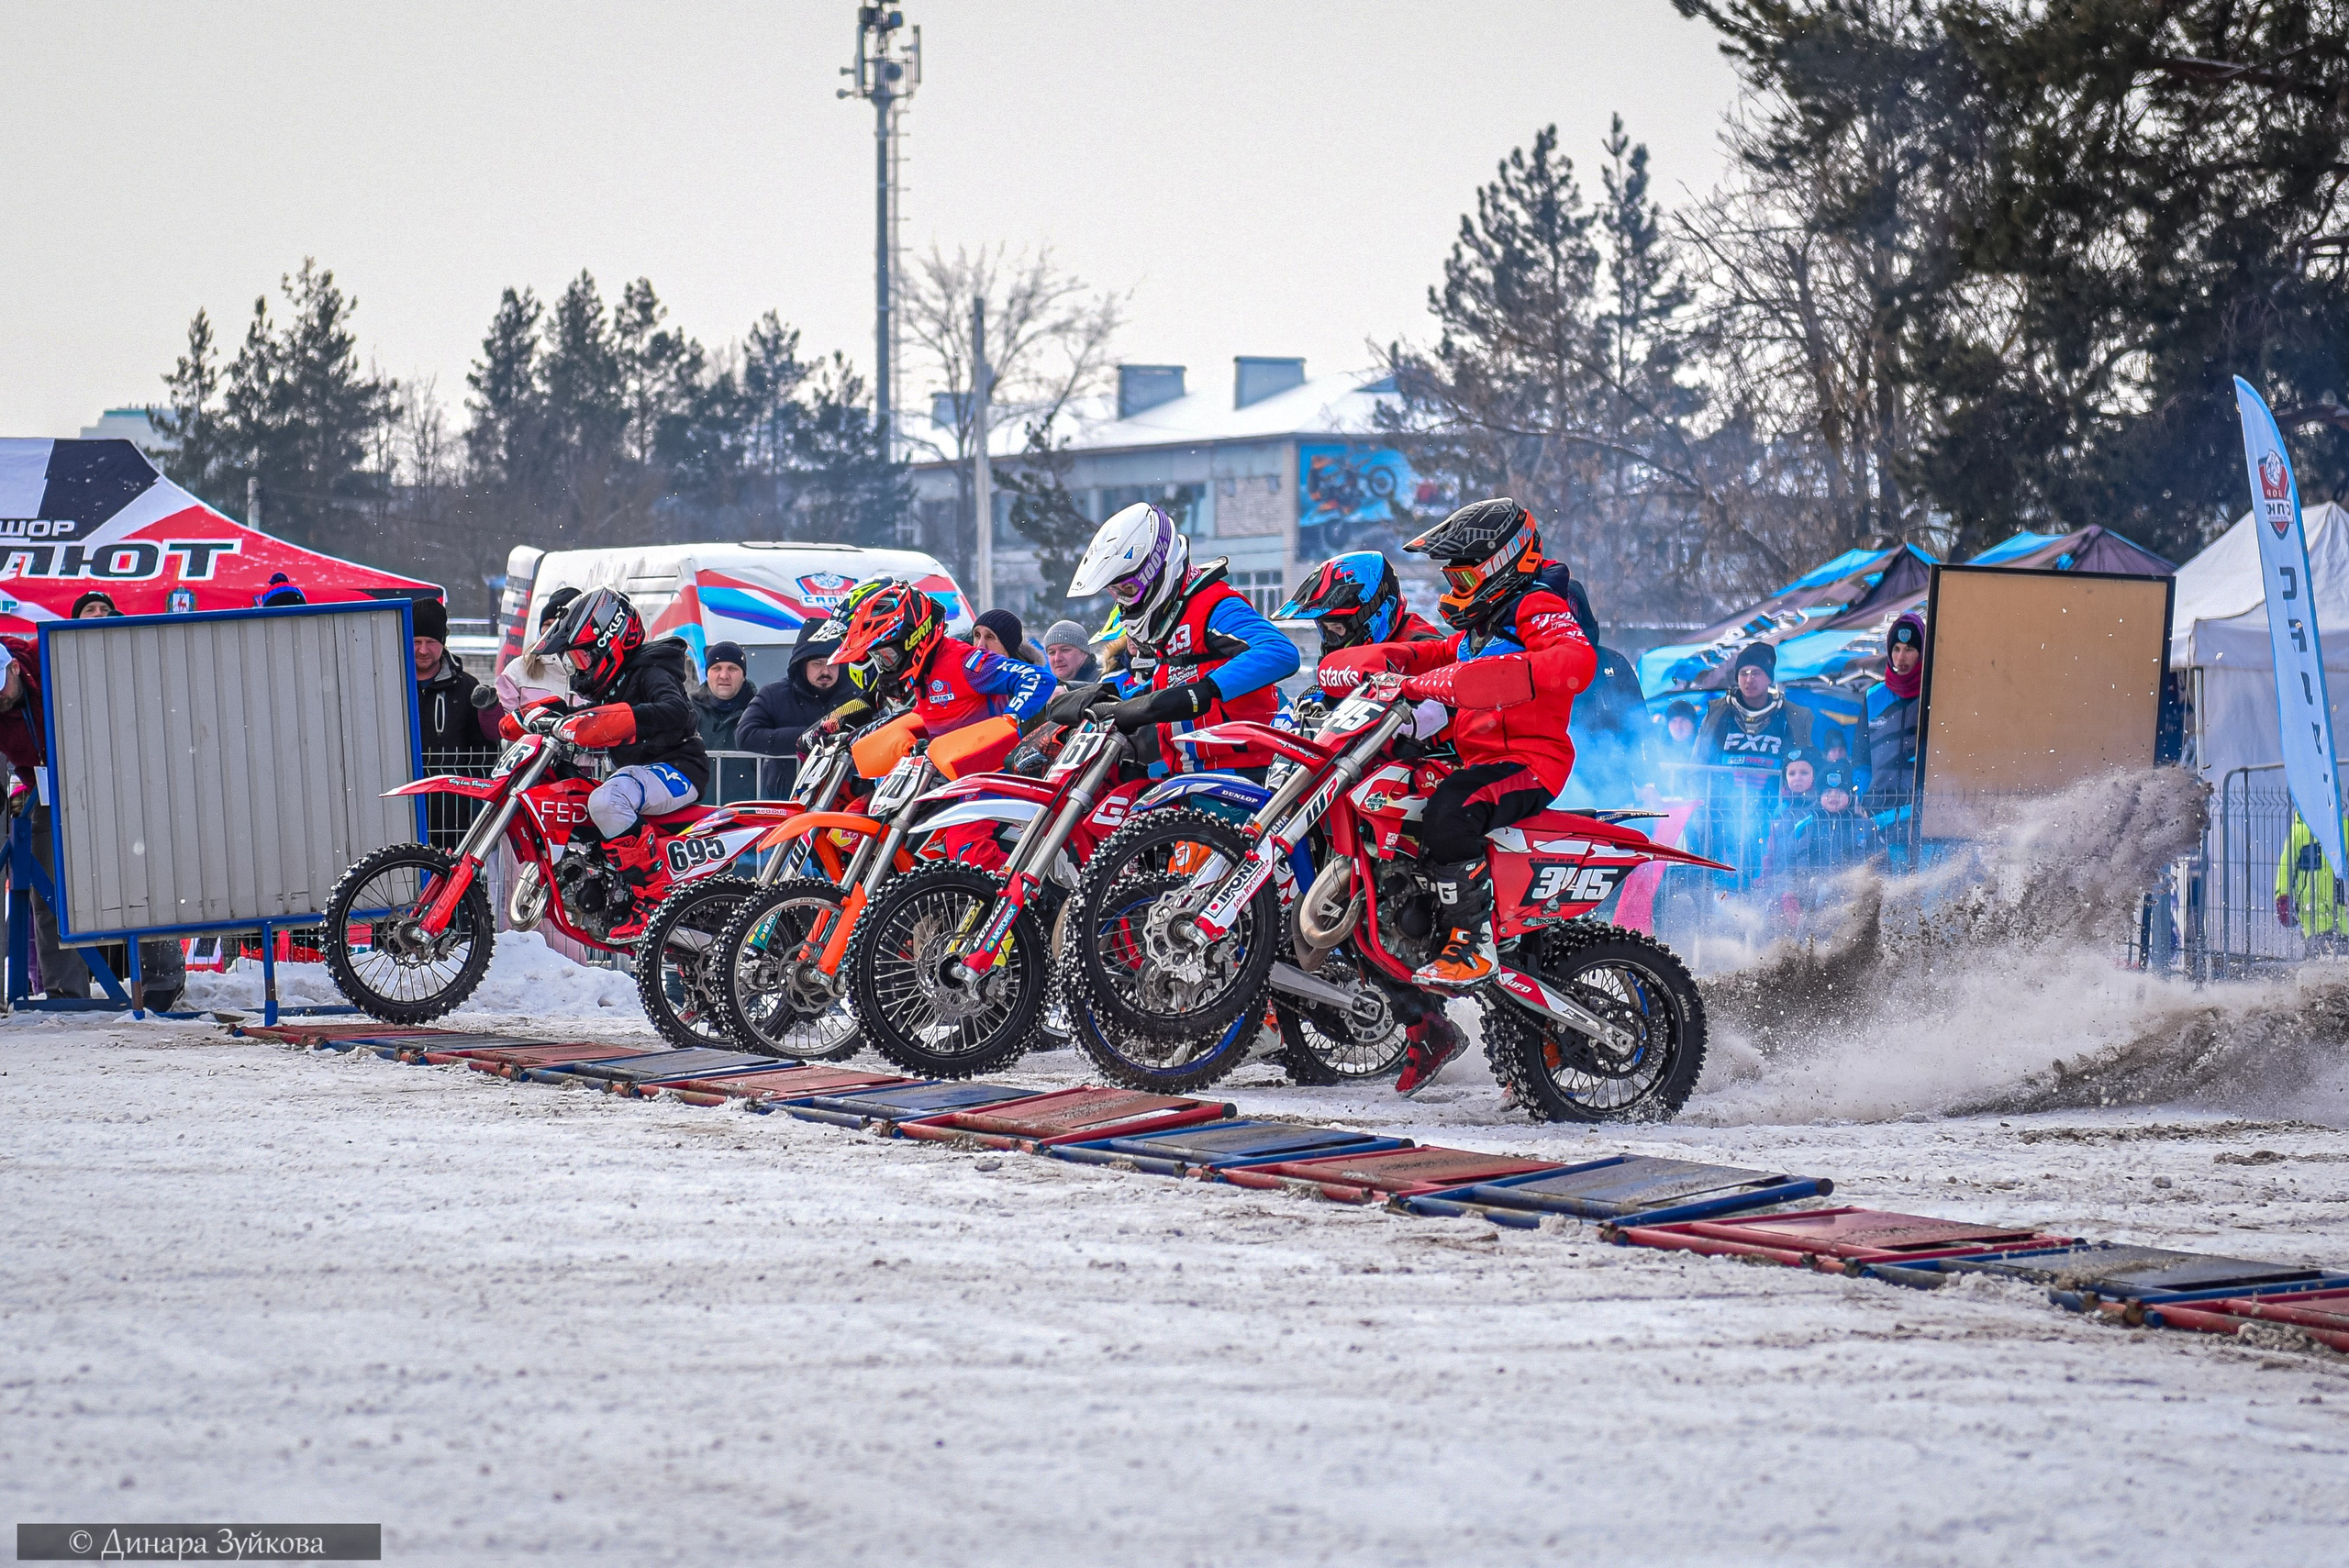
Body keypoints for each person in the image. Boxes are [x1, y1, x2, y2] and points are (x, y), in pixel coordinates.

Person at [1321, 497, 1596, 1095]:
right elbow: (1424, 656)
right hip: (1476, 762)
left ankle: (1471, 944)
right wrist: (1362, 664)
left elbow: (1576, 659)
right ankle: (1427, 1027)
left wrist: (1504, 673)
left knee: (1450, 814)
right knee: (1379, 896)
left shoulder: (1537, 604)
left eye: (1464, 572)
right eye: (1451, 575)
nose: (1455, 584)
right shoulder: (1475, 628)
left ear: (1501, 562)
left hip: (1527, 763)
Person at [0, 641, 184, 1010]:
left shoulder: (52, 653)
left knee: (140, 877)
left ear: (15, 669)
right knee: (49, 894)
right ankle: (65, 994)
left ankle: (163, 979)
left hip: (109, 782)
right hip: (46, 795)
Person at [1065, 502, 1300, 778]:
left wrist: (1208, 689)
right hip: (1190, 773)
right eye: (1115, 592)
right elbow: (1175, 681)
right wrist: (1103, 698)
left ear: (1158, 568)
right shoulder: (1170, 618)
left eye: (1128, 588)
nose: (1122, 601)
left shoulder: (1214, 604)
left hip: (1248, 770)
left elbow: (1280, 652)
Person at [531, 588, 711, 907]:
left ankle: (654, 897)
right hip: (641, 773)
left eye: (582, 657)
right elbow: (585, 717)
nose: (578, 668)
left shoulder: (651, 669)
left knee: (607, 801)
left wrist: (624, 719)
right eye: (573, 661)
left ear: (609, 643)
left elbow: (675, 710)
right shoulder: (612, 683)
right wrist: (537, 717)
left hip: (678, 768)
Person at [831, 580, 1054, 739]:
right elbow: (931, 716)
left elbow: (1039, 678)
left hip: (988, 779)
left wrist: (1009, 719)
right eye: (977, 635)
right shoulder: (926, 672)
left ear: (911, 641)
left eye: (887, 655)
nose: (981, 644)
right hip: (943, 775)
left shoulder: (966, 662)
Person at [413, 598, 502, 848]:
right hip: (402, 800)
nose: (423, 650)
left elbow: (487, 747)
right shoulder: (392, 682)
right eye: (416, 641)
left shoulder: (466, 687)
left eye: (431, 642)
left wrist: (471, 793)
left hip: (453, 810)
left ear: (444, 642)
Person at [739, 616, 855, 796]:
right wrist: (807, 738)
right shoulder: (774, 695)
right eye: (817, 664)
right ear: (802, 664)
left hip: (845, 801)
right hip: (786, 801)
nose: (825, 671)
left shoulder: (858, 696)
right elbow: (746, 735)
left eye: (833, 663)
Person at [1769, 765, 1884, 929]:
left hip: (1851, 894)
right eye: (1827, 792)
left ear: (1850, 795)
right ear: (1819, 795)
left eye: (1840, 791)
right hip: (1810, 894)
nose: (1833, 796)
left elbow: (1880, 858)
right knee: (1811, 931)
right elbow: (1788, 859)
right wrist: (1789, 890)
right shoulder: (1806, 825)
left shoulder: (1864, 826)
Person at [1865, 612, 1926, 814]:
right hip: (1878, 810)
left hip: (1923, 809)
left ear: (1922, 652)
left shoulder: (1934, 694)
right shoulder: (1873, 697)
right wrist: (1865, 792)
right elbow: (1860, 755)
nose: (1901, 657)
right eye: (1896, 649)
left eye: (1909, 649)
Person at [495, 586, 582, 713]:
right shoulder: (518, 669)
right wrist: (489, 709)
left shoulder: (597, 669)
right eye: (547, 624)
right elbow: (503, 724)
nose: (552, 630)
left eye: (559, 624)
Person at [2275, 810, 2349, 940]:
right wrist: (2283, 896)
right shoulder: (2299, 831)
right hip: (2312, 912)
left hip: (2342, 911)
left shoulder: (2344, 827)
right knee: (2319, 953)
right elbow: (2286, 867)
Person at [693, 641, 758, 751]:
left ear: (743, 675)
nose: (724, 676)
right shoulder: (687, 711)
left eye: (732, 668)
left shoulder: (761, 711)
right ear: (707, 674)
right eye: (716, 668)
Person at [1041, 620, 1100, 686]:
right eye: (1052, 652)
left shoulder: (1104, 683)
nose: (1057, 658)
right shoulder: (1047, 689)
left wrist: (1068, 688)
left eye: (1065, 650)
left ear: (1084, 653)